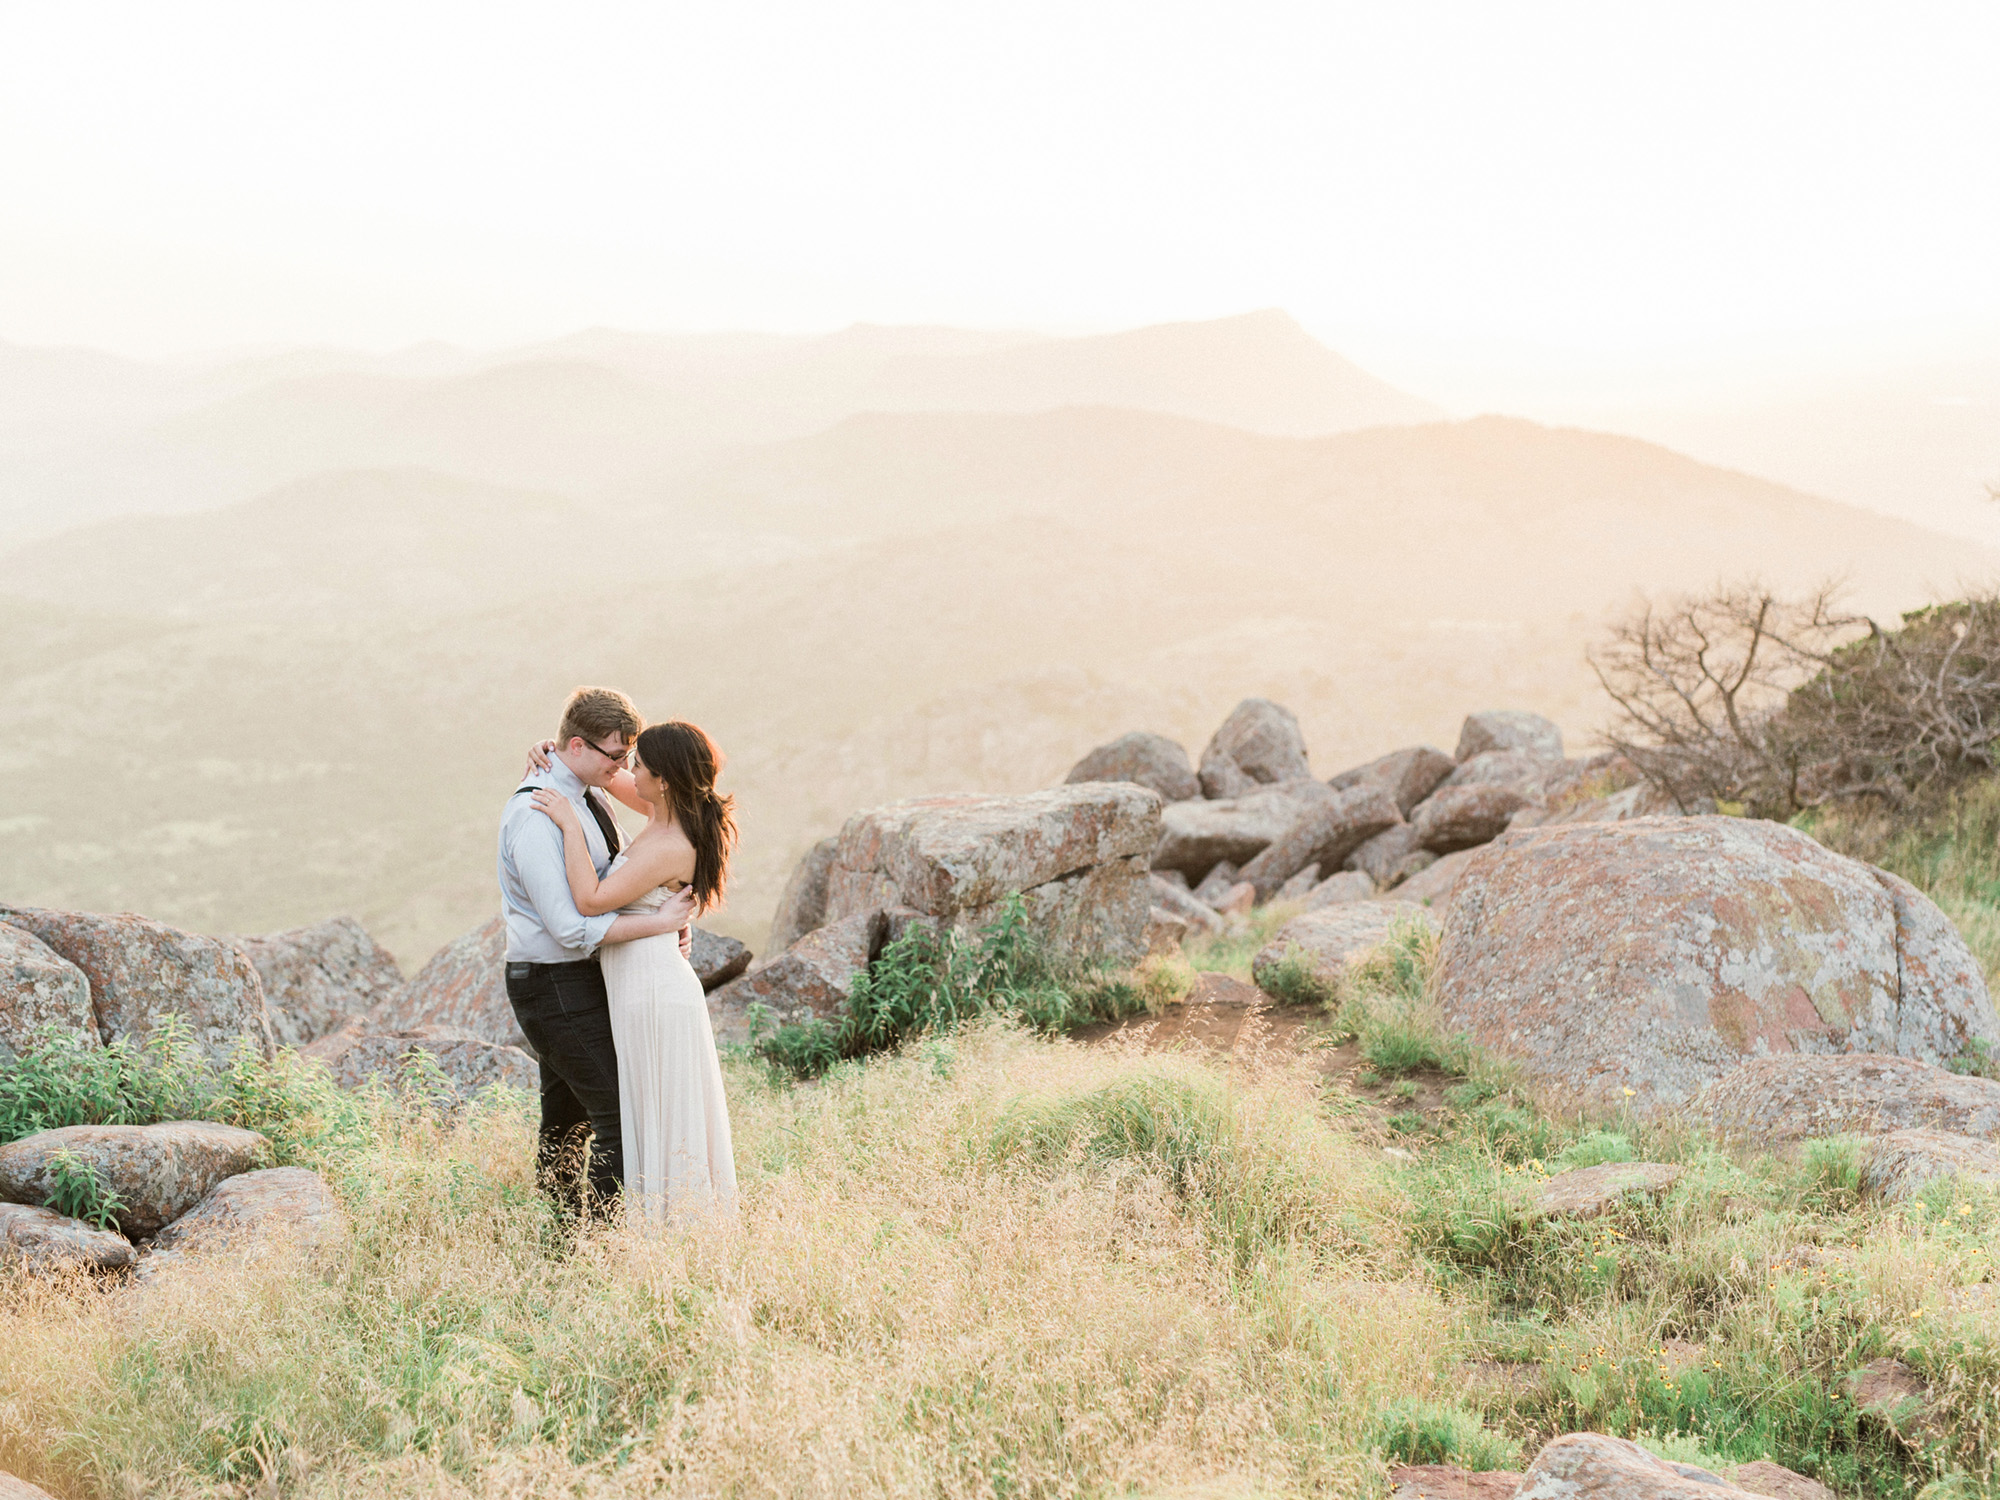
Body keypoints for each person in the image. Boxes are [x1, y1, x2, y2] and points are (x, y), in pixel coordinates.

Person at [529, 719, 740, 1222]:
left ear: (663, 779)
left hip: (652, 991)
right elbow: (601, 773)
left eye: (638, 764)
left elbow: (589, 899)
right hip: (638, 983)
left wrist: (569, 824)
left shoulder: (671, 842)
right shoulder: (660, 808)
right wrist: (555, 754)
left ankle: (670, 1230)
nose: (628, 769)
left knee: (656, 1110)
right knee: (648, 1109)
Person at [499, 686, 697, 1222]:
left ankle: (563, 1244)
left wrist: (659, 925)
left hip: (582, 979)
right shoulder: (537, 813)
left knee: (567, 1120)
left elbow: (633, 868)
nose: (625, 768)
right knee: (617, 1113)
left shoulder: (592, 791)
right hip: (551, 982)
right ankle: (604, 1244)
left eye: (629, 756)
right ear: (579, 745)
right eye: (616, 756)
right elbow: (568, 927)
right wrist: (658, 923)